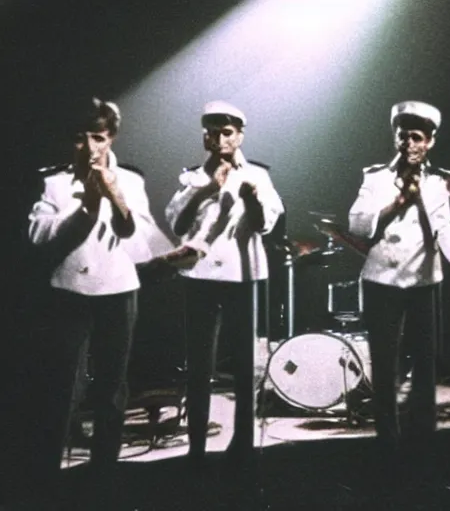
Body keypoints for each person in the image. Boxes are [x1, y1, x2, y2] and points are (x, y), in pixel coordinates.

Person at [27, 96, 172, 506]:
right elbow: (42, 239)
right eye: (79, 138)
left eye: (98, 137)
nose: (90, 147)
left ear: (110, 139)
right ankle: (48, 480)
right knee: (62, 388)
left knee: (112, 389)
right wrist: (88, 206)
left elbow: (140, 242)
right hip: (69, 291)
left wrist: (115, 196)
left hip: (118, 290)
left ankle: (105, 476)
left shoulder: (131, 179)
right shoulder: (52, 183)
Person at [348, 101, 450, 464]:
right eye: (402, 136)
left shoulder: (438, 181)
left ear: (430, 142)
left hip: (422, 281)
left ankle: (425, 441)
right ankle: (387, 440)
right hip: (381, 279)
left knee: (425, 363)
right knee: (385, 365)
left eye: (416, 137)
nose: (408, 144)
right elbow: (357, 225)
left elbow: (444, 226)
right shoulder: (375, 177)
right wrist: (396, 203)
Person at [165, 100, 284, 467]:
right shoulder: (191, 176)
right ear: (205, 136)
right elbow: (176, 226)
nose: (219, 139)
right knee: (200, 365)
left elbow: (268, 225)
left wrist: (252, 203)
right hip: (200, 277)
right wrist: (203, 190)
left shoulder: (258, 176)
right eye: (213, 132)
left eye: (227, 132)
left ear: (240, 135)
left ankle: (243, 444)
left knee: (245, 366)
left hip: (240, 276)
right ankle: (197, 448)